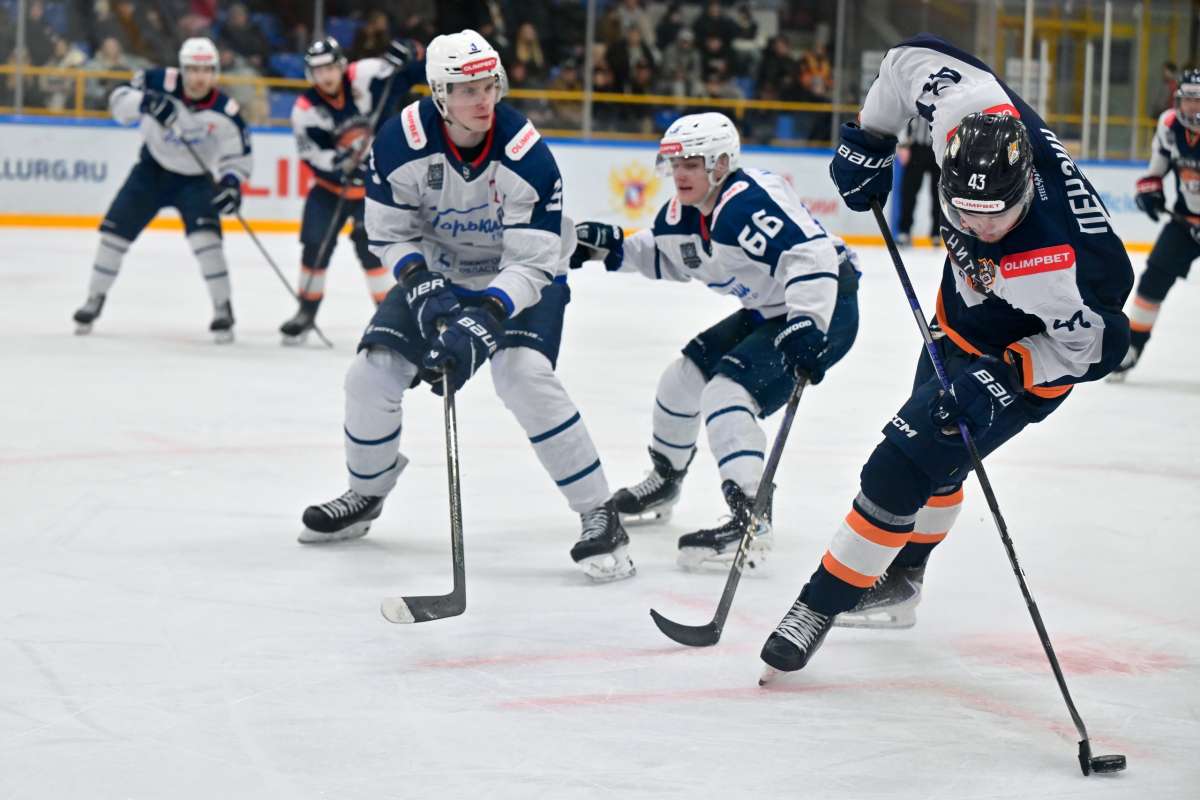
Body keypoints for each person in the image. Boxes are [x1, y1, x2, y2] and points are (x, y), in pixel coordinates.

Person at [760, 35, 1133, 678]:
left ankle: (816, 606)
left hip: (1030, 361)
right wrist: (872, 137)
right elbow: (906, 59)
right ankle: (902, 579)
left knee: (896, 466)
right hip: (954, 326)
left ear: (1027, 186)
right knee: (937, 464)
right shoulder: (966, 105)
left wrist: (1006, 374)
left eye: (998, 218)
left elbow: (1100, 345)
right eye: (966, 212)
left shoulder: (1072, 262)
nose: (981, 229)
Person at [299, 30, 634, 582]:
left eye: (490, 85)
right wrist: (420, 284)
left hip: (521, 277)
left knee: (522, 375)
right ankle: (366, 492)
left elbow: (533, 264)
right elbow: (387, 233)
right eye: (467, 89)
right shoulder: (400, 141)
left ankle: (600, 513)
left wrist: (487, 317)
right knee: (371, 372)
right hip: (441, 271)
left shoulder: (526, 153)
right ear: (439, 94)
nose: (483, 100)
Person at [570, 112, 860, 569]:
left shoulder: (747, 202)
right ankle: (665, 482)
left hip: (825, 308)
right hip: (770, 310)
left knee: (727, 393)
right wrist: (610, 247)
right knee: (682, 380)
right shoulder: (685, 214)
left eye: (691, 164)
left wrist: (807, 322)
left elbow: (810, 255)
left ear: (721, 164)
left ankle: (751, 516)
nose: (680, 174)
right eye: (675, 164)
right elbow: (670, 255)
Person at [72, 37, 252, 342]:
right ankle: (94, 298)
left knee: (208, 243)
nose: (199, 77)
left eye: (206, 70)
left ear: (215, 72)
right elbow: (117, 103)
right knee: (114, 236)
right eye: (192, 69)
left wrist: (231, 185)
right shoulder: (157, 81)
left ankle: (223, 307)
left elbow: (238, 157)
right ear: (182, 69)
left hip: (196, 180)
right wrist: (145, 103)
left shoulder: (226, 111)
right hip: (151, 171)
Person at [279, 35, 415, 344]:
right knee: (315, 246)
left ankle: (389, 318)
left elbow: (404, 72)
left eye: (329, 67)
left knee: (373, 251)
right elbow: (313, 156)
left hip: (371, 190)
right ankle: (306, 311)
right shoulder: (305, 110)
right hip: (329, 189)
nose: (325, 76)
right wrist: (340, 166)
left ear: (341, 65)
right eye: (318, 70)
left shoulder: (364, 74)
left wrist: (408, 52)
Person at [1109, 68, 1200, 380]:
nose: (1193, 107)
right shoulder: (1170, 125)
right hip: (1185, 223)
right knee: (1152, 282)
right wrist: (1150, 191)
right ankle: (1132, 347)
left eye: (1199, 101)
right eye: (1188, 99)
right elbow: (1155, 171)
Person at [895, 116, 941, 246]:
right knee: (908, 192)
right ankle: (904, 231)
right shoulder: (915, 100)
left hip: (938, 148)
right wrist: (903, 145)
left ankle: (937, 232)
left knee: (939, 194)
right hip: (915, 148)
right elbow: (905, 116)